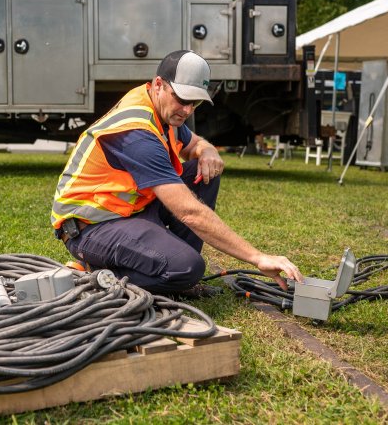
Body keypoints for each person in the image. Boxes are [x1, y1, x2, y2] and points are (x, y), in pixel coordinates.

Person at [51, 50, 303, 298]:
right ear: (159, 84)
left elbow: (194, 144)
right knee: (186, 267)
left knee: (204, 172)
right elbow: (189, 212)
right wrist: (257, 257)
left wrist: (208, 150)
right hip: (90, 229)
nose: (187, 110)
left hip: (127, 213)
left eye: (195, 102)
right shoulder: (136, 133)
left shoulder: (160, 110)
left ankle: (178, 280)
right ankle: (95, 275)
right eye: (182, 99)